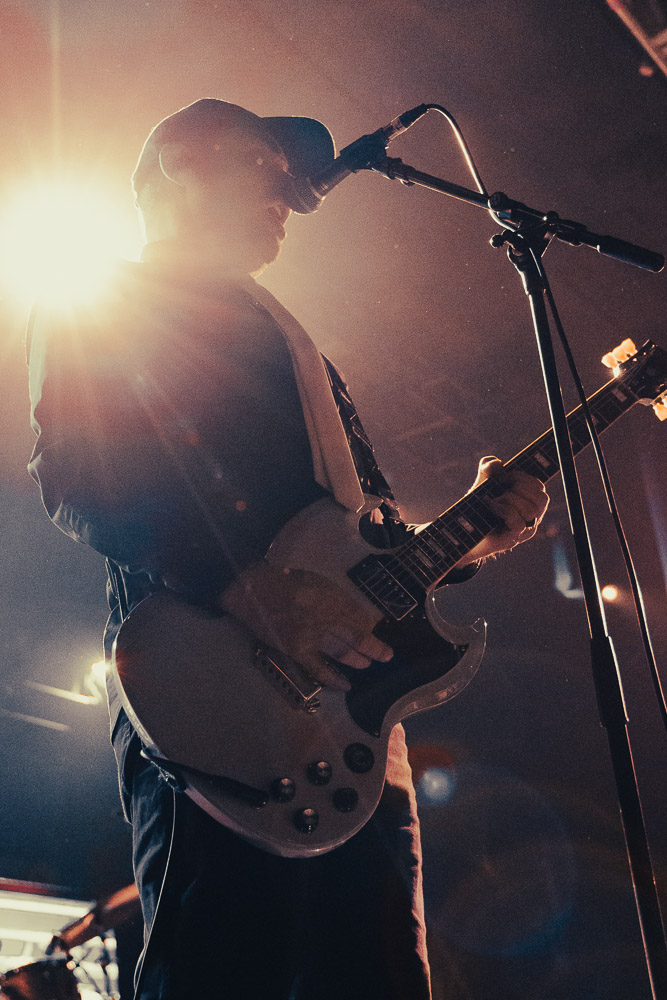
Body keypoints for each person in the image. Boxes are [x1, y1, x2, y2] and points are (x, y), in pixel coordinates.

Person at [27, 99, 549, 999]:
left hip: (349, 723)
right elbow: (79, 475)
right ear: (178, 170)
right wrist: (242, 584)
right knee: (223, 968)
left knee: (377, 973)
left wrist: (466, 537)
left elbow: (352, 550)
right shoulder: (112, 301)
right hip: (213, 700)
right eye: (259, 163)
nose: (286, 191)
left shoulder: (284, 333)